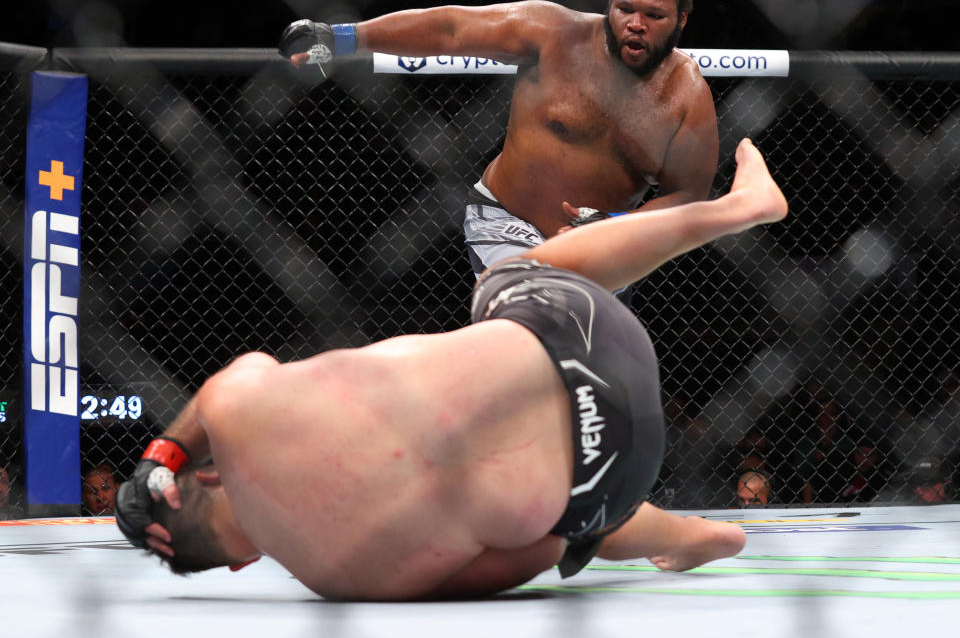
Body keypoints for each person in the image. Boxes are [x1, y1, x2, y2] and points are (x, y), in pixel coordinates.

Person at [114, 137, 784, 600]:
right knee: (501, 278)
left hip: (610, 475)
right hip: (591, 338)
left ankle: (700, 534)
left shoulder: (344, 580)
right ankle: (737, 208)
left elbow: (534, 554)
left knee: (544, 506)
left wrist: (576, 508)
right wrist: (160, 452)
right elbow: (217, 392)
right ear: (203, 471)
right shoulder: (240, 410)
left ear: (240, 561)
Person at [279, 0, 719, 277]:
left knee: (578, 354)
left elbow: (687, 197)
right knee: (533, 319)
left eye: (653, 15)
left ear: (681, 21)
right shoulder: (554, 33)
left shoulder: (687, 94)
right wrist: (340, 36)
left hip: (602, 244)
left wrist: (615, 224)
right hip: (506, 223)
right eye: (625, 9)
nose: (635, 23)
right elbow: (451, 28)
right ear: (609, 7)